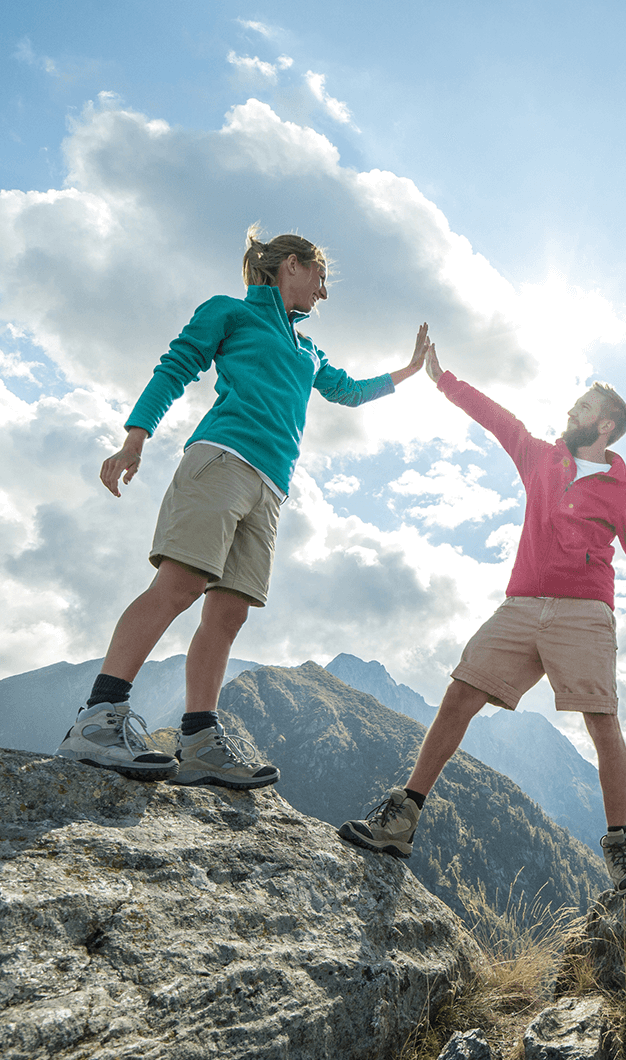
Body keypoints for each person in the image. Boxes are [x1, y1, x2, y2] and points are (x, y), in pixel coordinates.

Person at [57, 225, 427, 788]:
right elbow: (176, 365)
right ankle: (98, 719)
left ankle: (200, 741)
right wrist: (136, 436)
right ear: (294, 266)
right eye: (321, 278)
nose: (323, 294)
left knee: (228, 615)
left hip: (270, 487)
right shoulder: (230, 311)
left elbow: (346, 391)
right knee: (178, 586)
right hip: (222, 461)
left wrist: (408, 371)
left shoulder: (308, 348)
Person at [339, 343, 626, 897]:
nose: (571, 411)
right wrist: (443, 380)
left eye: (583, 406)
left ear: (606, 424)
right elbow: (499, 419)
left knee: (601, 722)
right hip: (521, 607)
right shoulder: (542, 459)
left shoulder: (625, 493)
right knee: (459, 695)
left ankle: (619, 851)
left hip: (584, 614)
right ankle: (402, 819)